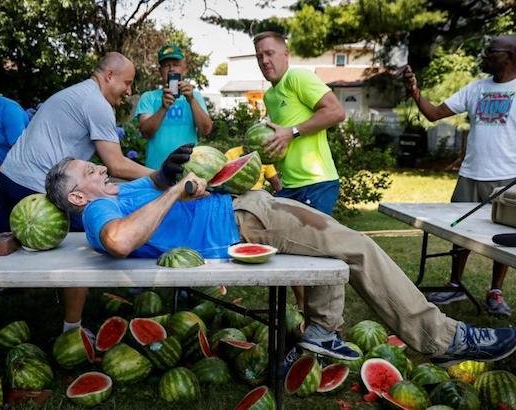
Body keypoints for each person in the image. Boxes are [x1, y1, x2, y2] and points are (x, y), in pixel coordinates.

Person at [45, 150, 516, 368]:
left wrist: (168, 169)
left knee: (339, 240)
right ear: (78, 197)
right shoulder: (99, 212)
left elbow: (153, 187)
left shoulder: (116, 190)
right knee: (358, 247)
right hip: (246, 222)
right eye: (90, 171)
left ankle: (321, 332)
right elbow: (121, 240)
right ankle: (442, 338)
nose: (101, 168)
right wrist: (173, 189)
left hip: (244, 209)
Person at [0, 52, 153, 350]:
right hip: (43, 187)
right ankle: (72, 332)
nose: (129, 90)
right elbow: (117, 164)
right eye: (127, 82)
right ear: (109, 75)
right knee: (82, 255)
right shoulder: (97, 104)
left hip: (11, 177)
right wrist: (165, 175)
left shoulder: (74, 92)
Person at [403, 35, 516, 316]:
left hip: (507, 178)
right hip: (470, 173)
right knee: (459, 232)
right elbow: (434, 114)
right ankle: (454, 284)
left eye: (491, 51)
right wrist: (415, 91)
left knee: (502, 237)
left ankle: (495, 291)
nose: (485, 54)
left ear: (510, 56)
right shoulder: (476, 88)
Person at [253, 31, 346, 308]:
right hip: (289, 186)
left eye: (270, 53)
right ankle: (307, 319)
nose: (265, 60)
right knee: (287, 257)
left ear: (285, 54)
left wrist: (291, 132)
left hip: (316, 183)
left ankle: (326, 327)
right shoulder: (270, 96)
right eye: (260, 56)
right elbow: (280, 138)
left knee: (315, 259)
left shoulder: (298, 77)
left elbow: (335, 112)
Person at [135, 44, 213, 170]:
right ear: (160, 71)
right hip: (155, 173)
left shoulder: (195, 97)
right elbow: (146, 133)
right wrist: (163, 108)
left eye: (176, 64)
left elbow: (206, 130)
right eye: (166, 65)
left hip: (187, 170)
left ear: (184, 69)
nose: (171, 68)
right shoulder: (148, 97)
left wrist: (191, 100)